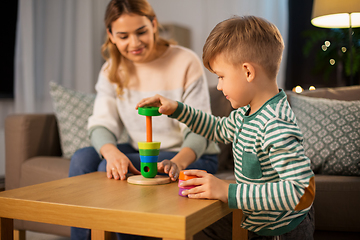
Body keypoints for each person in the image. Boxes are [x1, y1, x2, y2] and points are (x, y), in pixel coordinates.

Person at [136, 16, 316, 239]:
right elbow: (217, 129)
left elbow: (302, 192)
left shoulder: (275, 124)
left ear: (248, 72)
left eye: (221, 76)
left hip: (282, 229)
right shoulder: (245, 113)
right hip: (257, 221)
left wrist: (226, 190)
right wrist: (177, 109)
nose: (219, 86)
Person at [68, 0, 219, 239]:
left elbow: (199, 129)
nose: (134, 43)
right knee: (82, 158)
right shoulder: (111, 70)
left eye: (141, 32)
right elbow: (101, 123)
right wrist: (111, 153)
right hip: (144, 150)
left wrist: (178, 163)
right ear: (111, 35)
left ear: (154, 24)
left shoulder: (185, 61)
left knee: (112, 171)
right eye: (123, 36)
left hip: (190, 154)